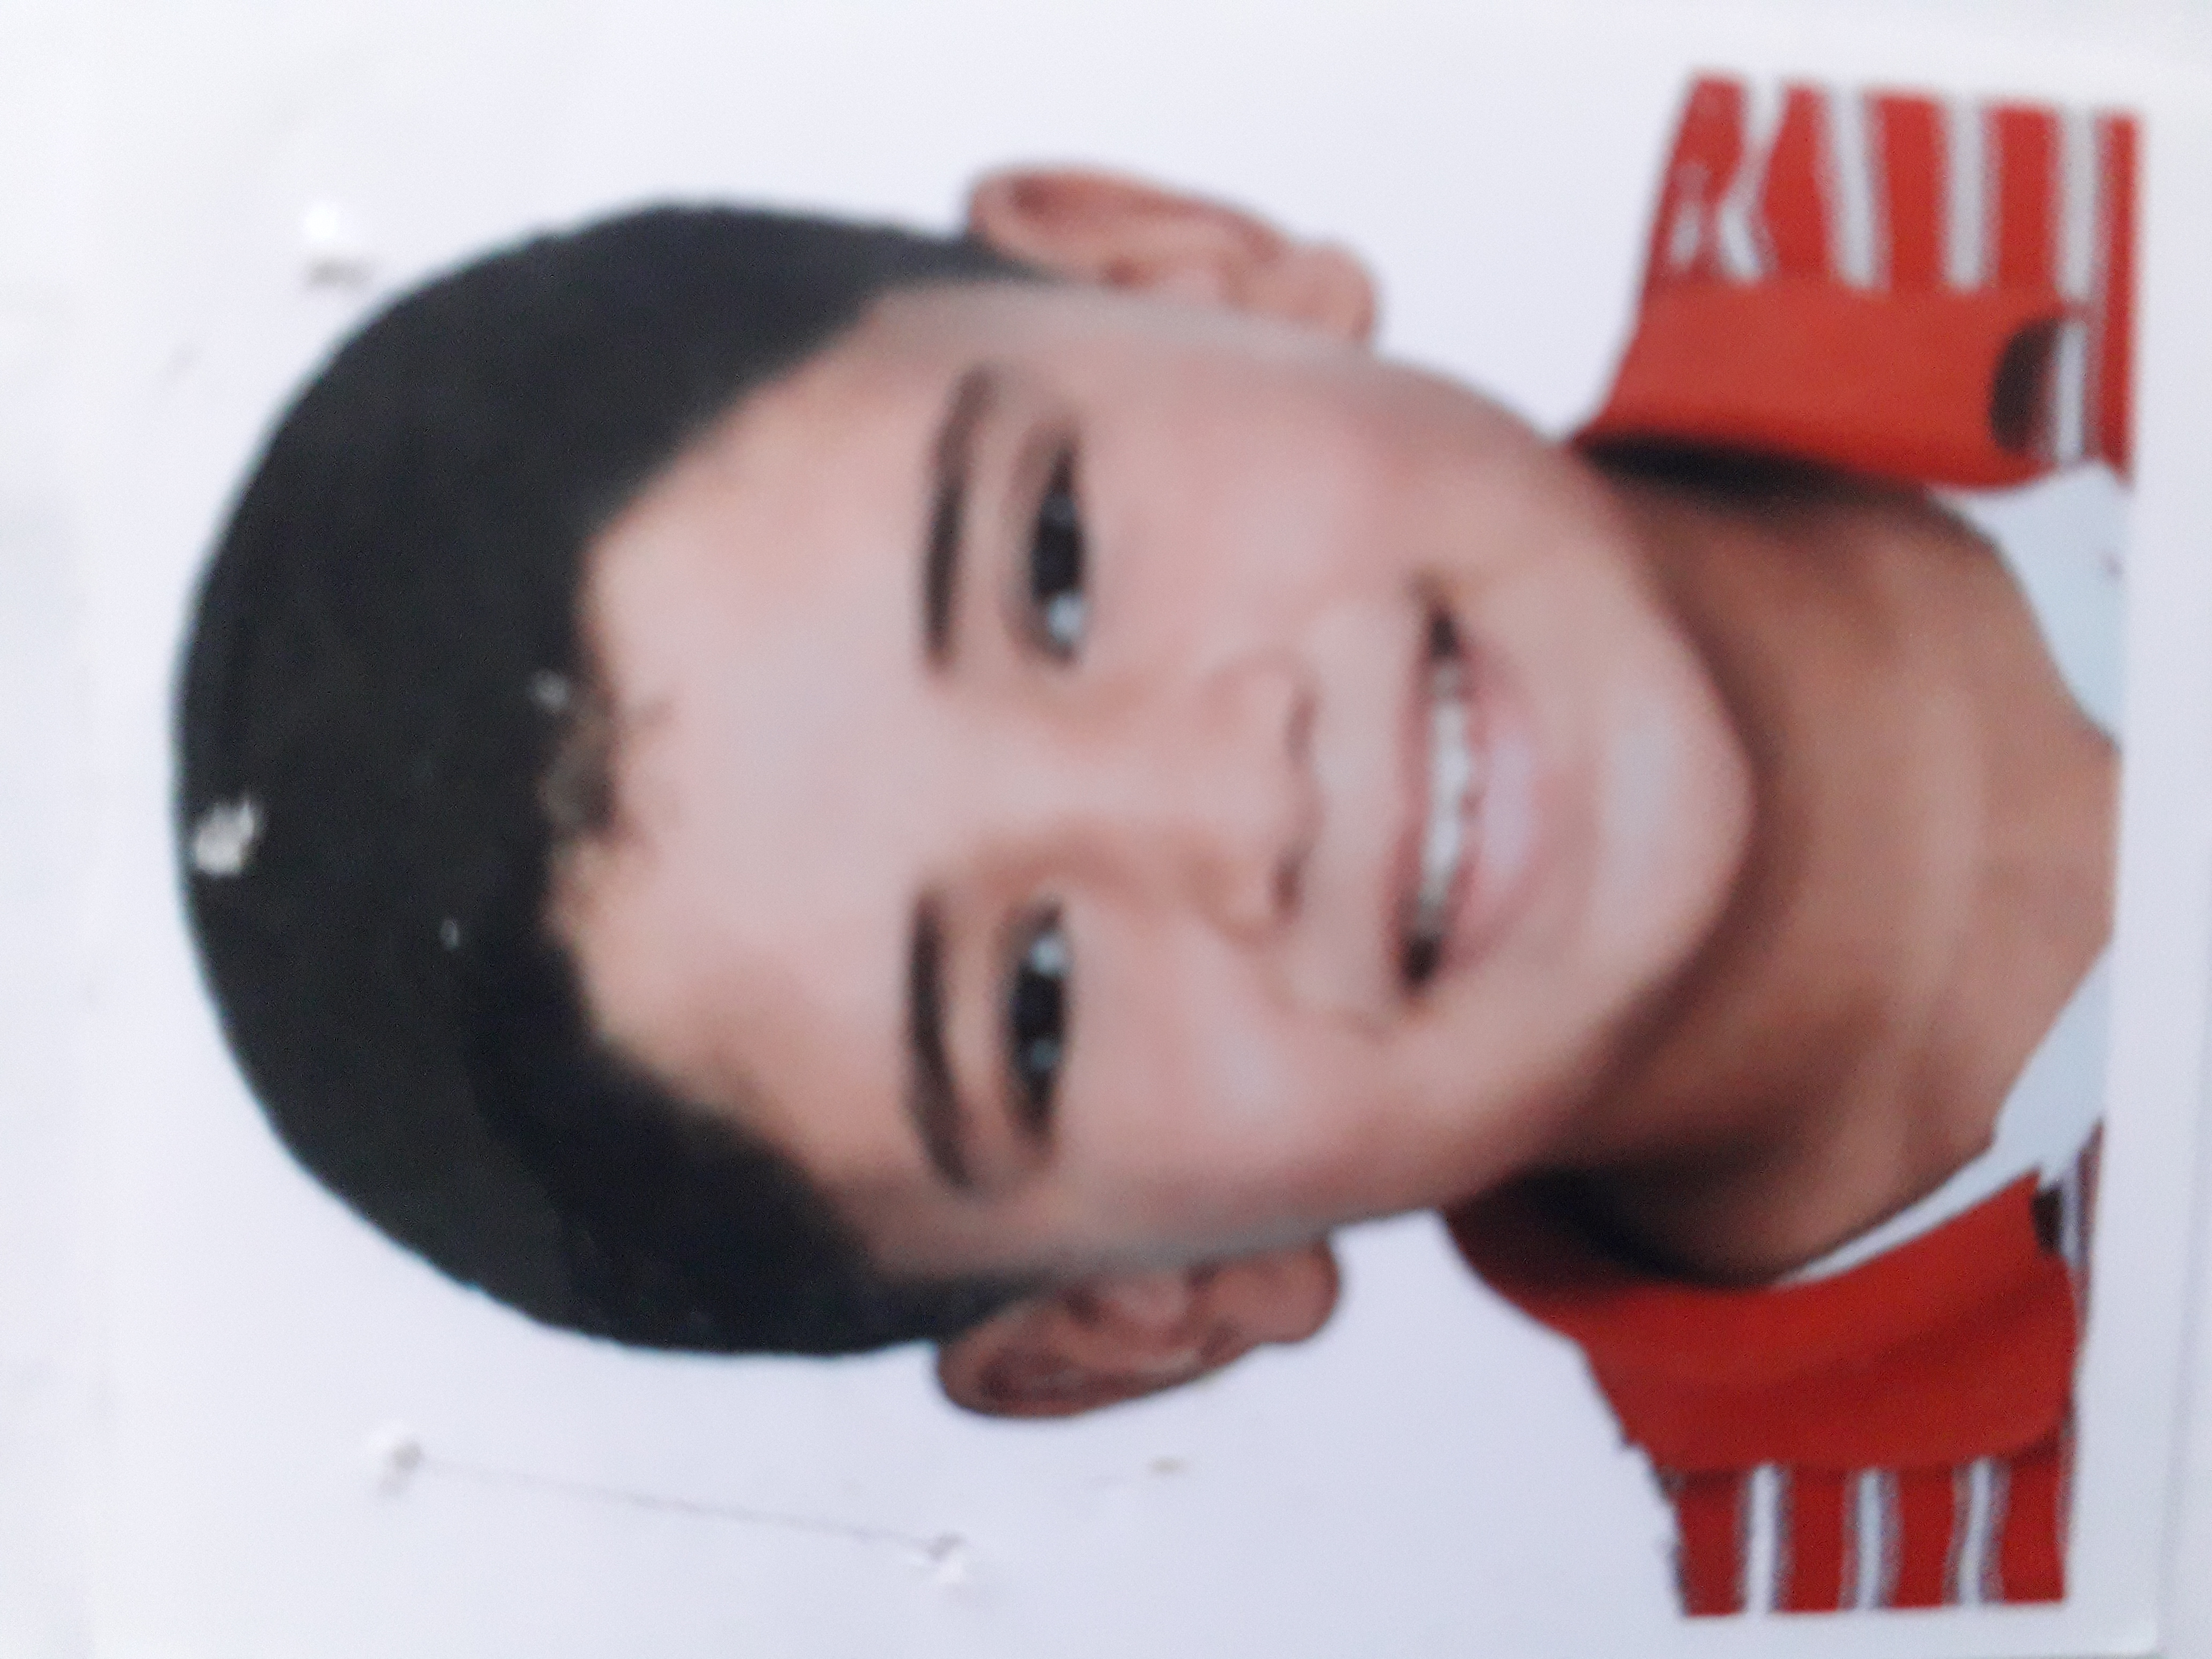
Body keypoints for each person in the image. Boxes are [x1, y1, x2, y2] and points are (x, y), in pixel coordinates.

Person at [175, 74, 2132, 1615]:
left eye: (1054, 558)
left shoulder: (1999, 102)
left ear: (1167, 267)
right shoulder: (1966, 1604)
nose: (1234, 802)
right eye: (1033, 1007)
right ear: (1132, 1313)